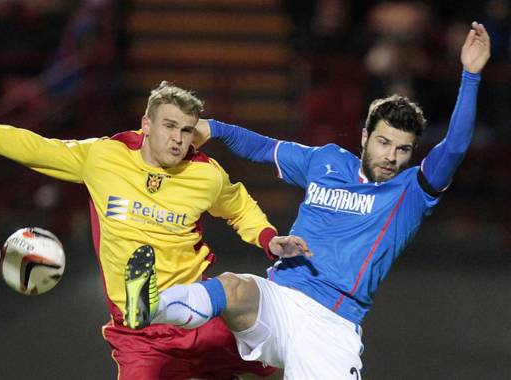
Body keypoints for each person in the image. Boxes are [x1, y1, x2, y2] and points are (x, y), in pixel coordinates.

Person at [123, 22, 491, 379]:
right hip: (280, 299)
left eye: (402, 149)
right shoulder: (326, 161)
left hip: (330, 325)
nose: (391, 156)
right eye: (383, 142)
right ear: (364, 137)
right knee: (233, 287)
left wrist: (470, 75)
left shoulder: (411, 193)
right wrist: (215, 128)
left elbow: (455, 146)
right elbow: (264, 148)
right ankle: (149, 306)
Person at [0, 81, 285, 379]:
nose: (178, 139)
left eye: (186, 130)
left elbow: (238, 205)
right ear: (146, 123)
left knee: (287, 363)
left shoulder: (206, 174)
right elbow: (34, 147)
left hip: (200, 318)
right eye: (169, 126)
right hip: (138, 333)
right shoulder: (103, 158)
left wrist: (268, 238)